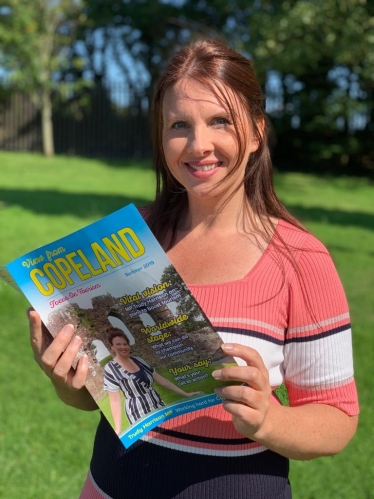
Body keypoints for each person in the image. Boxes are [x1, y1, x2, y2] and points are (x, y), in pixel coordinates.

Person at [29, 39, 359, 499]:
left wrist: (270, 418)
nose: (198, 145)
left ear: (258, 131)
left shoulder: (301, 260)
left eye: (220, 121)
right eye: (179, 125)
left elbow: (338, 419)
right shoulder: (125, 243)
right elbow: (95, 398)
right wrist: (64, 378)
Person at [104, 328, 201, 432]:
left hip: (157, 403)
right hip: (138, 412)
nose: (123, 347)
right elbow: (115, 400)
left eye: (125, 344)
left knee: (174, 433)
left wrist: (185, 394)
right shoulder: (110, 368)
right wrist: (118, 430)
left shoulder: (139, 360)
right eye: (118, 344)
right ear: (112, 347)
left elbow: (160, 379)